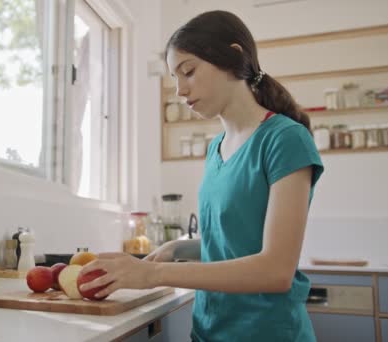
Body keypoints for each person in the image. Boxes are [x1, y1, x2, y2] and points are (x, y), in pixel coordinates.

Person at [79, 10, 324, 342]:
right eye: (174, 78)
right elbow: (235, 241)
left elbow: (276, 270)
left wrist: (153, 273)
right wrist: (177, 249)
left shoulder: (285, 139)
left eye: (188, 71)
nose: (180, 90)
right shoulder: (216, 148)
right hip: (208, 332)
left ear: (234, 57)